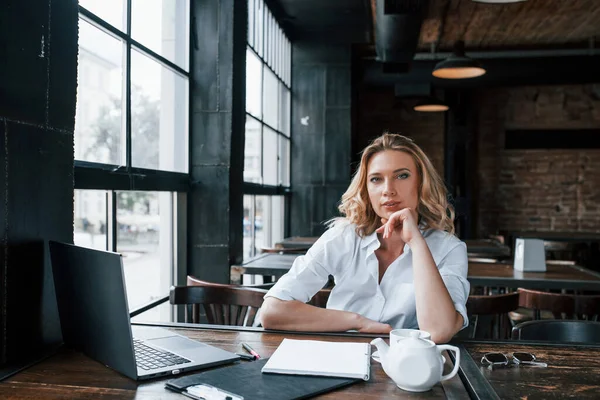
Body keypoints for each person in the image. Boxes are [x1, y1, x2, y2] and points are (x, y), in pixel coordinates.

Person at [260, 133, 469, 343]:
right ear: (366, 188)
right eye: (376, 179)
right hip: (338, 358)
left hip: (405, 366)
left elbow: (438, 331)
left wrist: (416, 242)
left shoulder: (449, 249)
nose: (388, 190)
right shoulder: (343, 236)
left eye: (402, 175)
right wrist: (357, 321)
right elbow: (271, 312)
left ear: (421, 183)